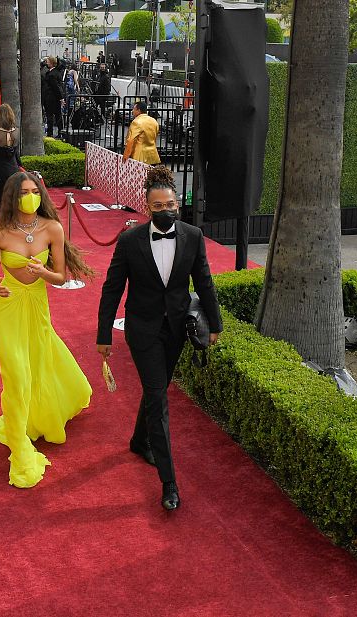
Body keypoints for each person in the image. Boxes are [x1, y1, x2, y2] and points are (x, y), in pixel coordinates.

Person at [96, 167, 222, 511]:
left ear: (177, 205)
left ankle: (139, 441)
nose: (164, 210)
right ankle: (169, 483)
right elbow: (112, 289)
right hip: (142, 330)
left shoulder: (193, 237)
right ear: (146, 206)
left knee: (157, 390)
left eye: (169, 204)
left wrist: (215, 326)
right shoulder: (130, 241)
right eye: (157, 205)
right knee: (158, 398)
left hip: (177, 329)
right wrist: (104, 333)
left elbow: (205, 283)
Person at [0, 172, 93, 488]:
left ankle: (36, 418)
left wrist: (43, 272)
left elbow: (61, 277)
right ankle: (18, 437)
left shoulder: (52, 228)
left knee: (38, 364)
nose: (31, 197)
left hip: (38, 307)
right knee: (16, 372)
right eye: (25, 192)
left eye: (35, 191)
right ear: (13, 197)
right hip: (7, 307)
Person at [42, 57, 65, 138]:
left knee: (50, 116)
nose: (46, 63)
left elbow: (56, 87)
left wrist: (61, 98)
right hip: (55, 98)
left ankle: (50, 133)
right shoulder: (56, 72)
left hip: (51, 98)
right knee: (58, 115)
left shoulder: (52, 74)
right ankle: (60, 132)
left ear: (51, 63)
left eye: (47, 62)